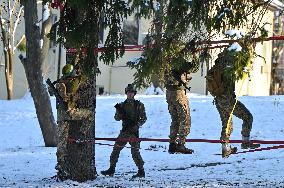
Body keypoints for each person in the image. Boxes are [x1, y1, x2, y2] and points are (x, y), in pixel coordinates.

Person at [206, 50, 260, 158]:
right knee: (248, 117)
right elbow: (241, 69)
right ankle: (245, 143)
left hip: (218, 100)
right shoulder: (228, 65)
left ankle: (225, 149)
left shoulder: (216, 67)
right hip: (228, 100)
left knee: (226, 124)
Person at [101, 84, 147, 178]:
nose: (130, 94)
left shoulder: (139, 105)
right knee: (115, 150)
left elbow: (144, 118)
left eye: (132, 92)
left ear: (134, 94)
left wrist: (137, 125)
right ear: (126, 93)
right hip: (124, 132)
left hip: (134, 133)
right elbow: (116, 118)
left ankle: (141, 171)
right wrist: (119, 114)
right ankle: (111, 169)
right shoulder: (121, 105)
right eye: (129, 92)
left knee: (135, 153)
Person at [165, 60, 198, 154]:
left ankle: (172, 144)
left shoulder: (167, 59)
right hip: (178, 93)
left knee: (175, 119)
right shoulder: (178, 60)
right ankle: (181, 144)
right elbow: (193, 66)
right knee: (185, 118)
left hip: (169, 93)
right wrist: (194, 56)